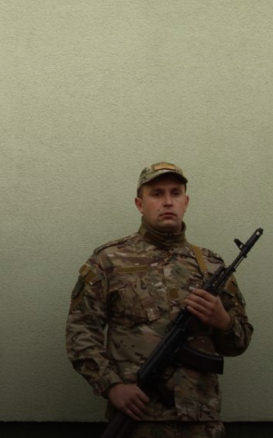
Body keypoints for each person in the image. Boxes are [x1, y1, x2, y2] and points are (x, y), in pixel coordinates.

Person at [66, 162, 252, 437]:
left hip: (201, 421)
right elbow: (80, 331)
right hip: (139, 418)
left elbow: (239, 343)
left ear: (186, 202)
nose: (167, 202)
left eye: (175, 193)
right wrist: (111, 386)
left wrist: (223, 321)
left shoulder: (212, 266)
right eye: (157, 193)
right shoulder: (109, 261)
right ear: (140, 204)